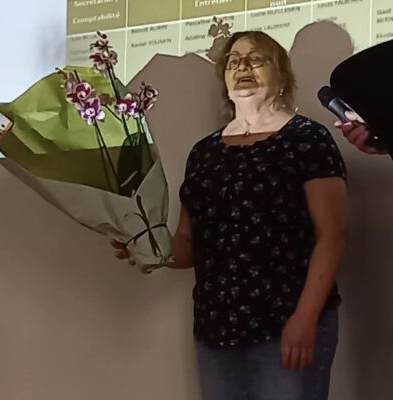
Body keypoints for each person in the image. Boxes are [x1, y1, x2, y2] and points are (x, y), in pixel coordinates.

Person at [112, 31, 347, 400]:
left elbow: (331, 236)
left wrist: (305, 318)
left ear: (281, 75)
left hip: (287, 324)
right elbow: (188, 244)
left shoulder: (308, 140)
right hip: (216, 333)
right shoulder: (204, 153)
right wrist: (146, 245)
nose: (243, 67)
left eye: (256, 59)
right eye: (234, 61)